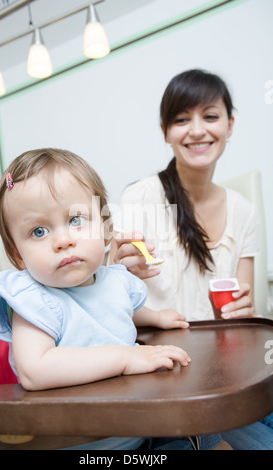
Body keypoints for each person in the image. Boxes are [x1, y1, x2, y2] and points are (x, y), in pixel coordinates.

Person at [0, 147, 200, 451]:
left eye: (76, 219)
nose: (63, 240)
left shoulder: (114, 280)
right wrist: (126, 357)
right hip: (78, 442)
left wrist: (157, 318)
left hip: (142, 428)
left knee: (202, 423)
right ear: (17, 253)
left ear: (105, 227)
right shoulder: (33, 301)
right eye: (39, 231)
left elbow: (117, 310)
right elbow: (35, 370)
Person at [110, 69, 273, 450]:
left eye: (210, 116)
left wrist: (245, 308)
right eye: (182, 119)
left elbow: (245, 311)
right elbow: (117, 308)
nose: (197, 130)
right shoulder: (140, 198)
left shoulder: (244, 211)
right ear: (166, 131)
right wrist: (116, 271)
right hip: (169, 378)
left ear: (230, 125)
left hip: (228, 372)